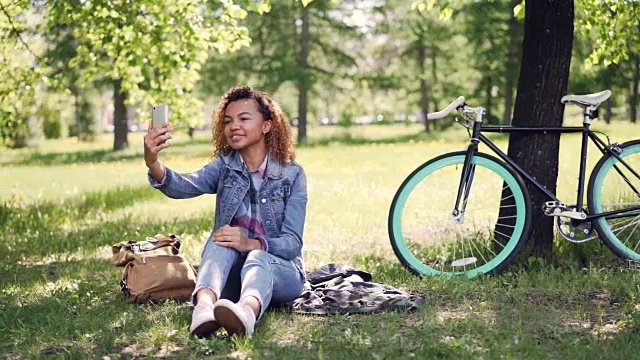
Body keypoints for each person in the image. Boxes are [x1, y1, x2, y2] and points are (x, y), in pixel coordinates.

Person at [143, 86, 308, 338]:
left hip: (280, 274)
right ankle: (204, 310)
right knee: (221, 239)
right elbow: (185, 186)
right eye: (228, 121)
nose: (233, 126)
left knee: (257, 256)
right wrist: (153, 162)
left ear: (266, 125)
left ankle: (246, 314)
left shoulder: (292, 175)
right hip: (232, 276)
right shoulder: (224, 166)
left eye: (244, 119)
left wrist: (251, 243)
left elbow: (291, 245)